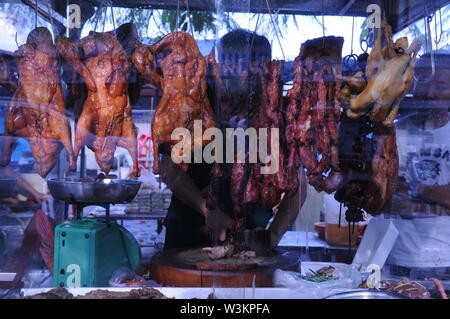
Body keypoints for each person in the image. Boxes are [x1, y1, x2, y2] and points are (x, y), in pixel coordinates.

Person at [161, 29, 306, 251]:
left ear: (264, 68)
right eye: (232, 64)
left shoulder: (276, 111)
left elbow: (299, 185)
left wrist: (272, 236)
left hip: (249, 242)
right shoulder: (199, 104)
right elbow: (169, 169)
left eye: (249, 65)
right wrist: (207, 210)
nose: (240, 73)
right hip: (189, 236)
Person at [387, 52, 450, 278]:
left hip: (447, 259)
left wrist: (417, 190)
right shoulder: (392, 132)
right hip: (397, 258)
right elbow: (385, 196)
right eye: (423, 82)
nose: (430, 93)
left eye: (441, 85)